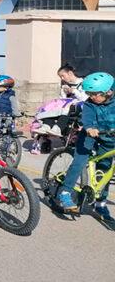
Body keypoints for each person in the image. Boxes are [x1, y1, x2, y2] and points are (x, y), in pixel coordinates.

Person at [56, 72, 115, 225]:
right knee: (80, 161)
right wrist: (89, 127)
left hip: (109, 138)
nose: (91, 96)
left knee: (105, 171)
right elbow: (87, 118)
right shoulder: (90, 104)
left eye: (94, 94)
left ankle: (100, 204)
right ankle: (65, 192)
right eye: (89, 93)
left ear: (108, 92)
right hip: (89, 135)